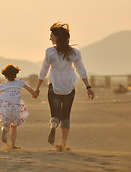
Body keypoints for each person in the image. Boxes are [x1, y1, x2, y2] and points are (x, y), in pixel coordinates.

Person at [33, 22, 95, 151]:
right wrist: (88, 87)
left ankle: (53, 127)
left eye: (51, 35)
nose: (50, 38)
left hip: (54, 87)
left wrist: (37, 88)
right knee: (66, 116)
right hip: (69, 88)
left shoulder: (49, 52)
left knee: (55, 115)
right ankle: (63, 144)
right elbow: (81, 70)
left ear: (57, 37)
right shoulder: (75, 53)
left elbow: (43, 70)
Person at [0, 64, 36, 149]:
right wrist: (34, 94)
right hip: (16, 107)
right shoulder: (20, 83)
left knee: (6, 124)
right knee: (14, 126)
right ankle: (13, 145)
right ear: (16, 74)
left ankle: (4, 130)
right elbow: (31, 91)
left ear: (5, 76)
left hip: (5, 107)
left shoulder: (1, 86)